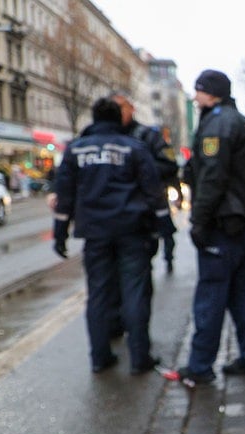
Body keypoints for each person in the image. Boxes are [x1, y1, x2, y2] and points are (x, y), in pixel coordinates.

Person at [51, 97, 167, 374]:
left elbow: (63, 195)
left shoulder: (75, 150)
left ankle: (100, 357)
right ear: (118, 119)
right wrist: (165, 227)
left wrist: (60, 234)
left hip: (95, 234)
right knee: (135, 292)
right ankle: (140, 358)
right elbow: (153, 191)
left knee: (99, 295)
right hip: (132, 231)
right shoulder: (134, 148)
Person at [179, 69, 245, 385]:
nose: (195, 97)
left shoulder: (218, 124)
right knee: (239, 294)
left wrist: (199, 220)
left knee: (211, 296)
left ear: (211, 93)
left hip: (223, 224)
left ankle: (200, 366)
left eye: (198, 91)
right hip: (244, 224)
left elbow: (212, 178)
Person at [110, 92, 180, 273]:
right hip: (111, 219)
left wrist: (139, 171)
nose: (117, 113)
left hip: (144, 211)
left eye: (121, 108)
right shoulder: (101, 137)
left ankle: (169, 256)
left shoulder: (147, 135)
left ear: (131, 109)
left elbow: (169, 164)